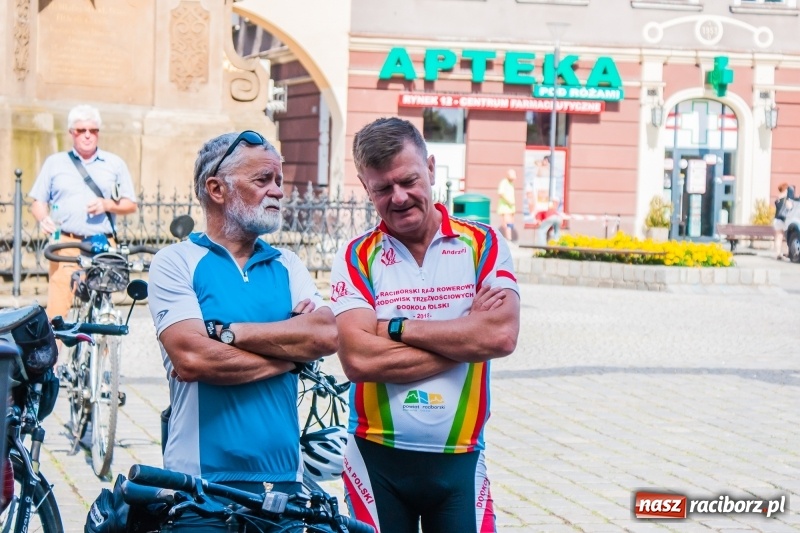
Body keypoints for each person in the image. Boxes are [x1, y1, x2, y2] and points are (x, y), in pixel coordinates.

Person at [330, 117, 520, 533]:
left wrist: (394, 327)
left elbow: (500, 335)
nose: (399, 198)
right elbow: (359, 360)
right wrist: (465, 334)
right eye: (383, 188)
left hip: (461, 457)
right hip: (375, 458)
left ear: (431, 169)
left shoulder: (482, 243)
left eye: (409, 180)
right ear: (366, 188)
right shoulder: (357, 254)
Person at [146, 131, 338, 531]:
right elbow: (194, 357)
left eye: (279, 182)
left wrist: (228, 333)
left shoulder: (288, 263)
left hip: (285, 481)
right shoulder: (176, 262)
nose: (278, 192)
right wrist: (292, 356)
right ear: (216, 189)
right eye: (263, 180)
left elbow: (325, 335)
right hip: (200, 485)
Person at [28, 104, 137, 320]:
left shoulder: (114, 164)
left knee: (104, 310)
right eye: (81, 130)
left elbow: (130, 204)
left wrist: (108, 205)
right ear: (71, 133)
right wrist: (43, 219)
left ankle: (101, 348)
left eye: (93, 130)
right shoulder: (55, 163)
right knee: (57, 315)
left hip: (102, 244)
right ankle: (54, 353)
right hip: (67, 245)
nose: (87, 135)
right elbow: (37, 202)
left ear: (98, 133)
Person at [496, 168, 516, 241]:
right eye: (513, 175)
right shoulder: (504, 182)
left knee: (509, 224)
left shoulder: (511, 183)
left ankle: (506, 238)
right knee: (507, 224)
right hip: (505, 207)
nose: (515, 177)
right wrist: (509, 202)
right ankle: (508, 239)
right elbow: (501, 193)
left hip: (511, 208)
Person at [774, 182, 792, 260]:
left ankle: (778, 253)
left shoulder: (778, 198)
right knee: (788, 237)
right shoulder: (786, 198)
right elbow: (789, 207)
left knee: (778, 237)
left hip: (777, 219)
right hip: (784, 220)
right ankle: (789, 252)